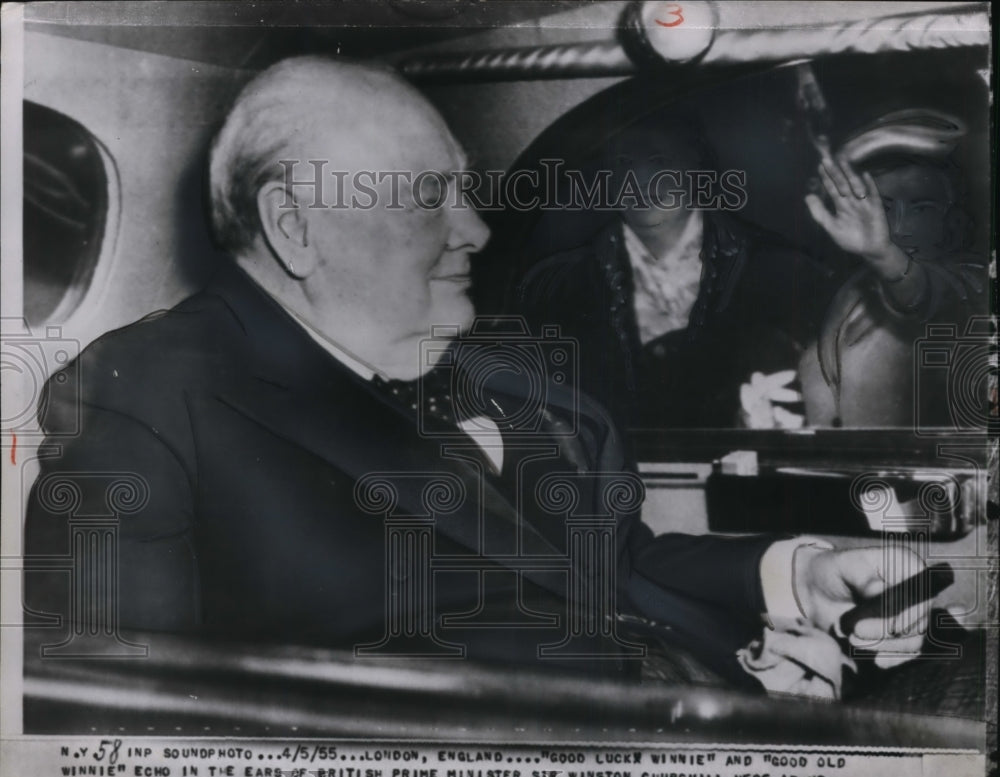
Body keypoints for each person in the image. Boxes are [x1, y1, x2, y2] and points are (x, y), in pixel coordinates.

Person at [25, 57, 939, 698]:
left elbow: (614, 567)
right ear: (296, 226)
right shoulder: (145, 399)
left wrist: (796, 573)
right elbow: (132, 728)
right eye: (431, 195)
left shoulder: (515, 381)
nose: (477, 229)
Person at [511, 114, 837, 432]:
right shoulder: (553, 287)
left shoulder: (786, 273)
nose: (639, 178)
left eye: (658, 160)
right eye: (623, 163)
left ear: (695, 162)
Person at [800, 110, 986, 427]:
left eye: (921, 208)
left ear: (954, 222)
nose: (899, 227)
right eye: (884, 208)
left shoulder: (973, 281)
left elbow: (931, 299)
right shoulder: (850, 290)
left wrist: (885, 256)